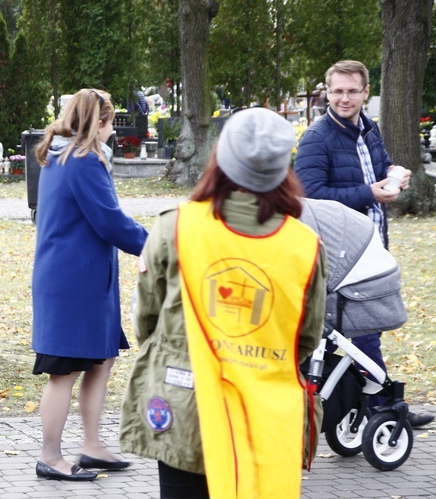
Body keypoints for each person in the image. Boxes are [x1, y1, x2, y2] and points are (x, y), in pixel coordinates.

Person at [120, 108, 327, 498]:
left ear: (221, 157)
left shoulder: (175, 226)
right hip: (263, 410)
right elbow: (305, 338)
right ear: (283, 168)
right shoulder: (305, 246)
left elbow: (148, 319)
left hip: (185, 404)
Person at [294, 60, 433, 428]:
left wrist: (394, 174)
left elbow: (382, 164)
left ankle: (360, 405)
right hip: (332, 254)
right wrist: (370, 193)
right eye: (337, 90)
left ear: (365, 92)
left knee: (362, 332)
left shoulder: (369, 129)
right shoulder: (316, 137)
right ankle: (384, 409)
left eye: (352, 91)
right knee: (362, 331)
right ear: (328, 91)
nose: (344, 98)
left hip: (366, 248)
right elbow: (310, 198)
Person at [31, 88, 148, 482]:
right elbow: (110, 221)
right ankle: (50, 456)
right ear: (97, 123)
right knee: (63, 371)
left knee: (102, 358)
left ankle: (92, 445)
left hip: (83, 279)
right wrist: (158, 244)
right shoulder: (81, 160)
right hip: (73, 284)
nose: (113, 131)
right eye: (111, 123)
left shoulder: (63, 155)